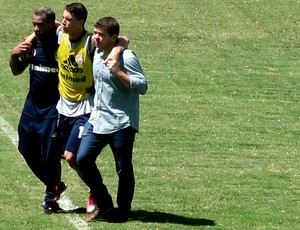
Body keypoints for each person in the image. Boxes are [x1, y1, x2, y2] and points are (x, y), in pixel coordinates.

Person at [56, 3, 129, 216]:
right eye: (64, 18)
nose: (64, 22)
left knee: (72, 157)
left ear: (81, 22)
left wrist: (115, 52)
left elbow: (123, 39)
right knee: (53, 153)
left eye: (69, 19)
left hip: (85, 108)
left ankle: (96, 193)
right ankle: (52, 194)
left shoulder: (91, 42)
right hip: (63, 107)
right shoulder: (60, 34)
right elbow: (43, 27)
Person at [76, 16, 148, 222]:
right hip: (97, 119)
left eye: (100, 35)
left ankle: (123, 210)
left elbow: (142, 86)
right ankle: (105, 203)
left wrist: (118, 72)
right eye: (95, 33)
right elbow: (124, 38)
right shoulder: (97, 51)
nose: (95, 38)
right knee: (83, 159)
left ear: (112, 37)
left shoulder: (128, 57)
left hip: (121, 122)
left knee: (123, 167)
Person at [9, 7, 66, 214]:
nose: (36, 28)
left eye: (40, 24)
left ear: (52, 23)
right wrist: (14, 56)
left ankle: (51, 198)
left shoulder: (63, 44)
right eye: (34, 24)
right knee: (25, 148)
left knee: (50, 155)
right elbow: (16, 71)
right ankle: (55, 185)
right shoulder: (31, 44)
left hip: (54, 109)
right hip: (31, 108)